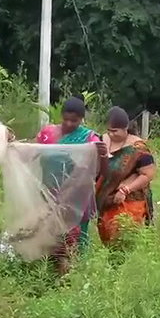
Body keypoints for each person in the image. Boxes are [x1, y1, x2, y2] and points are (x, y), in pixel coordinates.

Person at [34, 97, 106, 273]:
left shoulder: (89, 138)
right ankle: (51, 275)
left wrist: (102, 155)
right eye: (65, 118)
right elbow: (31, 151)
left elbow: (101, 170)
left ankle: (74, 277)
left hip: (76, 198)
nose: (68, 123)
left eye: (74, 121)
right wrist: (13, 147)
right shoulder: (48, 134)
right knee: (50, 236)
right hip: (49, 194)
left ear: (82, 119)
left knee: (73, 239)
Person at [96, 106, 156, 246]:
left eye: (115, 131)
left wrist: (126, 189)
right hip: (105, 201)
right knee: (108, 241)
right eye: (109, 130)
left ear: (125, 128)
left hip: (128, 201)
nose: (111, 134)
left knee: (123, 239)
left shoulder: (138, 148)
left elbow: (148, 175)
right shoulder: (101, 141)